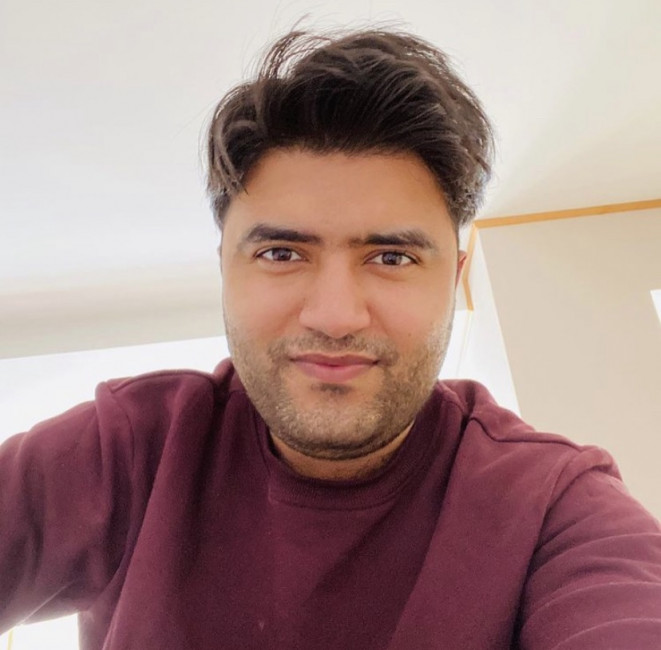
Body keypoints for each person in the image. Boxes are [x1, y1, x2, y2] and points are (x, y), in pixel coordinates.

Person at [1, 26, 660, 650]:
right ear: (226, 268)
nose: (335, 316)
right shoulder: (125, 453)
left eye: (392, 257)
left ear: (453, 278)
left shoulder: (554, 509)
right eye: (282, 254)